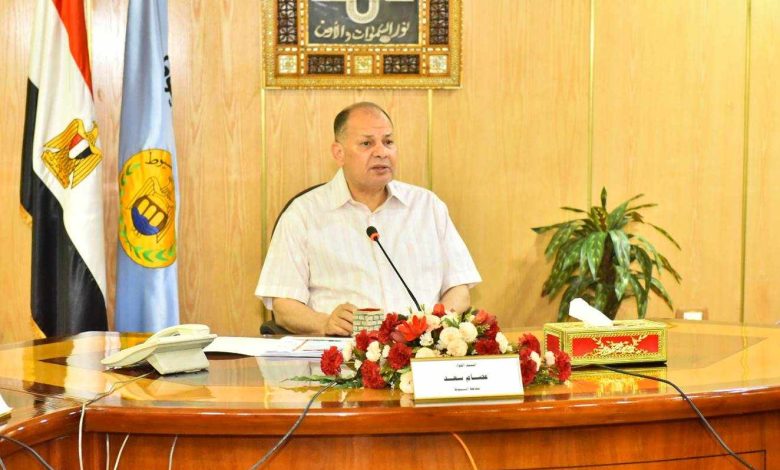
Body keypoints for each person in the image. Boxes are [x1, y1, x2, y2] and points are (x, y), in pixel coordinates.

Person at [255, 102, 481, 336]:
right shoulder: (303, 214)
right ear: (339, 153)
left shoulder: (427, 206)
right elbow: (284, 306)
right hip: (342, 351)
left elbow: (459, 288)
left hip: (419, 348)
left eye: (388, 142)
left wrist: (434, 324)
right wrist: (324, 322)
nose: (382, 152)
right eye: (367, 143)